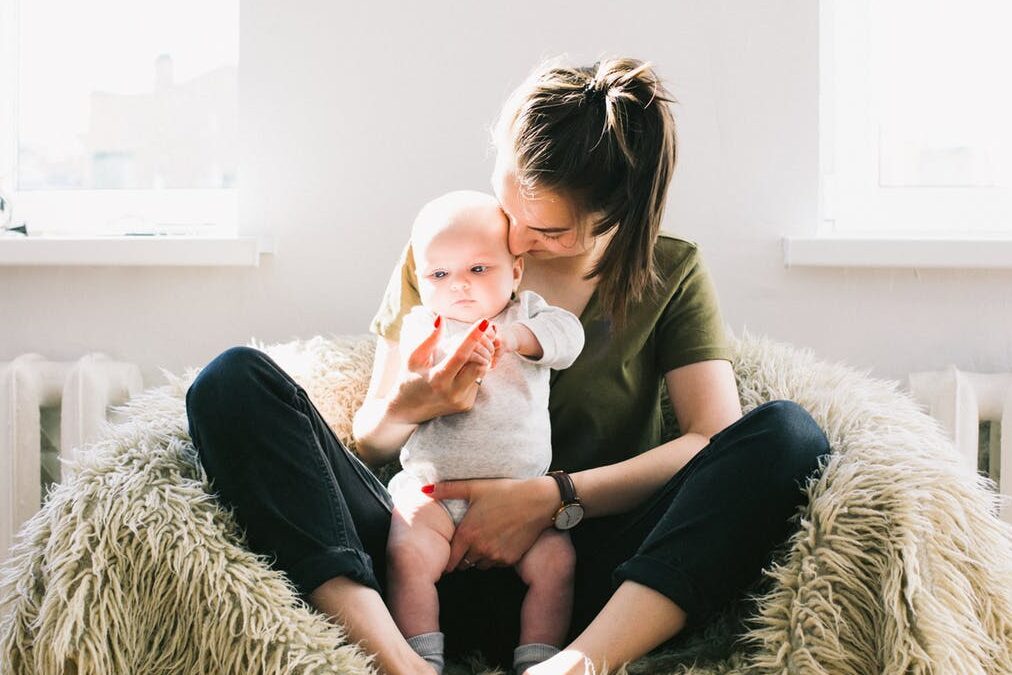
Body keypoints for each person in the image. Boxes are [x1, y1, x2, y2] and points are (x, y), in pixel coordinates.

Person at [186, 56, 831, 675]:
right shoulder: (451, 253)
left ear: (619, 217)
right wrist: (414, 405)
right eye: (510, 207)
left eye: (549, 232)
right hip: (417, 559)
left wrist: (552, 500)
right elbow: (370, 441)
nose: (516, 241)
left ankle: (577, 666)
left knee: (788, 437)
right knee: (230, 382)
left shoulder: (671, 273)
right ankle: (393, 660)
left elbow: (707, 442)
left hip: (584, 578)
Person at [384, 190, 584, 674]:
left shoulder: (527, 315)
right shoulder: (423, 325)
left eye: (478, 269)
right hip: (434, 493)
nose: (459, 286)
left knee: (557, 566)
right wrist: (429, 364)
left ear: (515, 271)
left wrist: (517, 339)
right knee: (404, 555)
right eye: (439, 274)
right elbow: (406, 376)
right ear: (419, 278)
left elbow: (569, 339)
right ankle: (421, 657)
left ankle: (538, 659)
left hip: (522, 498)